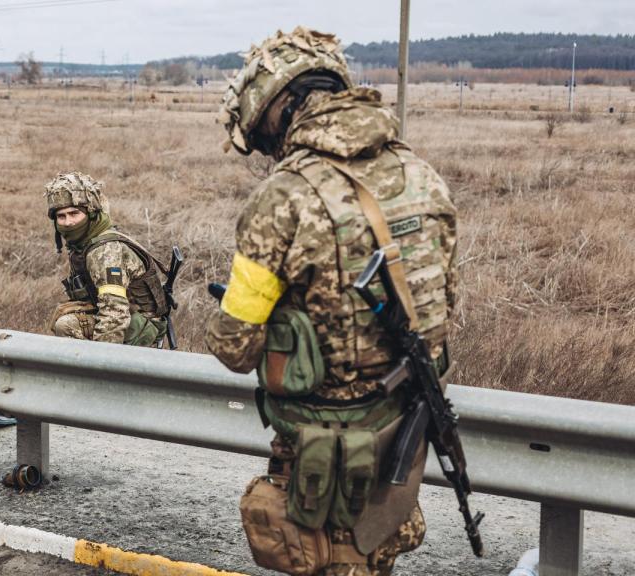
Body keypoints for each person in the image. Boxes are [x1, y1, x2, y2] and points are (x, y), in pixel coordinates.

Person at [206, 27, 458, 575]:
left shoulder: (284, 197)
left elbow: (233, 346)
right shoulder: (423, 176)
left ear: (279, 109)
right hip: (399, 443)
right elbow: (441, 312)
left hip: (322, 459)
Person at [44, 172, 169, 347]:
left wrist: (103, 363)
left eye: (74, 213)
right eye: (61, 216)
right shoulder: (84, 242)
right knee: (64, 313)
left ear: (91, 213)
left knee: (66, 326)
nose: (68, 222)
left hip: (140, 327)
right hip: (131, 317)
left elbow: (115, 314)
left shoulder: (105, 252)